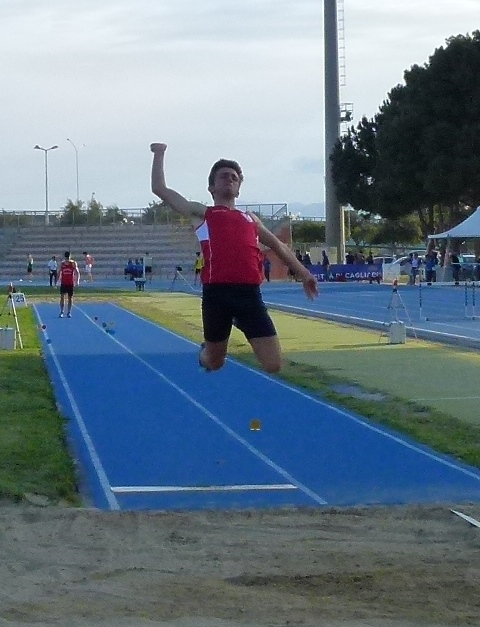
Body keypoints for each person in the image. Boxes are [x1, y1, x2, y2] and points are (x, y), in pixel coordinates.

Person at [150, 142, 318, 373]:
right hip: (217, 295)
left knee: (274, 365)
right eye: (223, 176)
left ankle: (239, 321)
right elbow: (160, 189)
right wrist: (159, 153)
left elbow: (278, 245)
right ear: (212, 187)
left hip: (249, 295)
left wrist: (305, 274)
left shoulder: (251, 219)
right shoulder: (202, 213)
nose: (229, 179)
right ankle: (205, 353)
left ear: (238, 189)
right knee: (215, 362)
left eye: (234, 177)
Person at [58, 252, 80, 318]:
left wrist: (77, 281)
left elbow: (77, 272)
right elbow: (59, 272)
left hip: (70, 283)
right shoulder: (62, 264)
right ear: (65, 257)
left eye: (68, 257)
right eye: (66, 258)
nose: (67, 259)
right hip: (63, 282)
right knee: (62, 297)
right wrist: (57, 281)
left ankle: (69, 312)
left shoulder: (73, 263)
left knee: (70, 298)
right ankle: (62, 311)